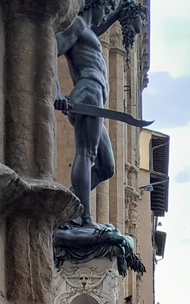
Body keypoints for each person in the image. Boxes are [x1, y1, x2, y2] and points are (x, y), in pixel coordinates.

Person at [56, 1, 135, 226]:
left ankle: (70, 203)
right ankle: (85, 218)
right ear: (95, 4)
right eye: (106, 9)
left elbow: (98, 29)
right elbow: (52, 49)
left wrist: (118, 12)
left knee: (107, 166)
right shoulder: (78, 25)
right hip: (87, 92)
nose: (105, 16)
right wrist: (57, 92)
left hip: (95, 97)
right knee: (86, 153)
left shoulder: (88, 30)